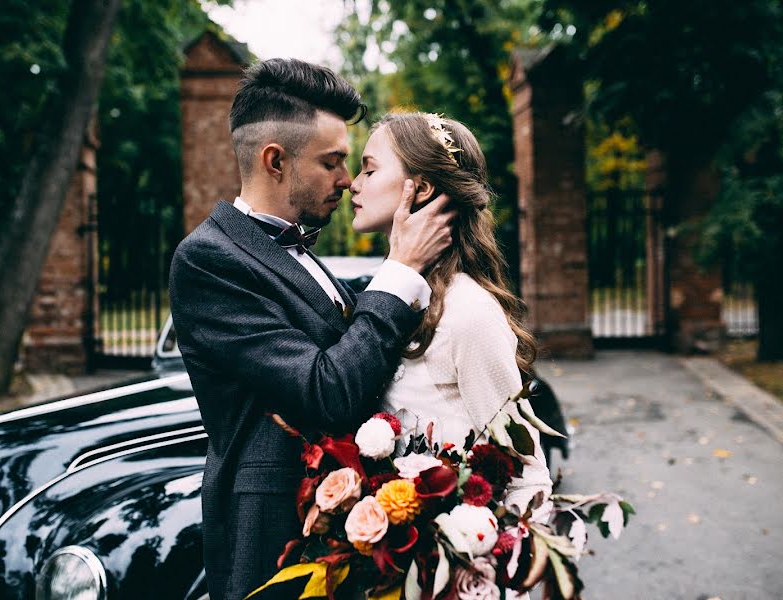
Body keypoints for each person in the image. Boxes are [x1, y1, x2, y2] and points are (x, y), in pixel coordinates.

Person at [168, 60, 454, 600]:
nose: (347, 181)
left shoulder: (299, 248)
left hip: (343, 540)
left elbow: (357, 331)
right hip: (275, 544)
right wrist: (400, 269)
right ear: (274, 160)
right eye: (333, 162)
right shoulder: (208, 260)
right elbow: (328, 391)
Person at [350, 112, 553, 530]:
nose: (354, 183)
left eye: (369, 169)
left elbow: (527, 473)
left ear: (419, 188)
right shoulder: (391, 298)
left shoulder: (468, 313)